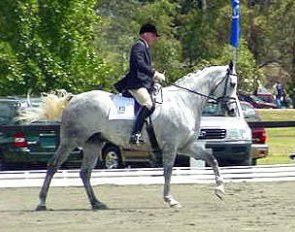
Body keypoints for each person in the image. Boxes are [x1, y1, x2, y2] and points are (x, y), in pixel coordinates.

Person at [114, 23, 165, 145]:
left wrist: (154, 81)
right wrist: (154, 74)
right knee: (148, 105)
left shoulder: (144, 47)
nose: (154, 39)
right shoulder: (138, 46)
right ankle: (135, 133)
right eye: (153, 36)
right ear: (146, 34)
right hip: (136, 84)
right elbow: (139, 65)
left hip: (143, 83)